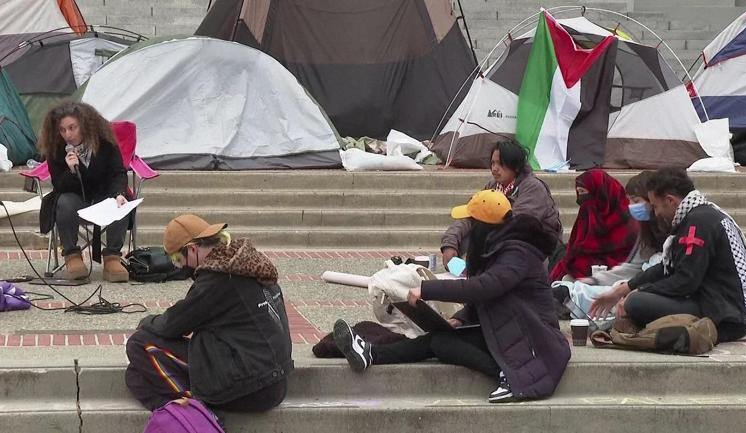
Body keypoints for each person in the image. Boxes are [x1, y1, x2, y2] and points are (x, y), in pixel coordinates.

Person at [334, 190, 570, 403]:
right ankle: (371, 353)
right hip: (510, 329)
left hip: (534, 340)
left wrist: (426, 289)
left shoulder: (517, 253)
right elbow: (491, 296)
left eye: (471, 222)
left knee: (442, 343)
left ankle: (507, 376)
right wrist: (460, 318)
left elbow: (484, 288)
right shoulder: (501, 247)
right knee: (439, 338)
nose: (467, 230)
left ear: (482, 226)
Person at [125, 214, 293, 417]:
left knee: (138, 343)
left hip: (253, 385)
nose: (180, 267)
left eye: (178, 260)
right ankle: (181, 408)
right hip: (273, 379)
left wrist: (147, 321)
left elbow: (173, 324)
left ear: (193, 249)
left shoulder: (219, 278)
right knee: (136, 376)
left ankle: (197, 415)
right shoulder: (246, 264)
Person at [590, 168, 746, 342]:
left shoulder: (698, 223)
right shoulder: (701, 214)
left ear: (670, 201)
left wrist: (637, 292)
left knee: (636, 303)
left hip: (726, 317)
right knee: (636, 298)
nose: (655, 213)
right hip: (726, 307)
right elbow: (667, 267)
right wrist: (623, 289)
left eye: (655, 206)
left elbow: (685, 281)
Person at [553, 171, 667, 317]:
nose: (631, 206)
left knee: (628, 298)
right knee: (569, 282)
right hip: (625, 278)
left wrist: (620, 285)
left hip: (643, 284)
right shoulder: (647, 229)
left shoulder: (629, 223)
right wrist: (595, 279)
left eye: (636, 201)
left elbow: (653, 271)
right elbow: (634, 265)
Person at [37, 101, 129, 282]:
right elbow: (59, 185)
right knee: (64, 202)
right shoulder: (56, 148)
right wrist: (71, 170)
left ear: (85, 125)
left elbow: (118, 172)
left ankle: (112, 257)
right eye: (63, 130)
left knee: (121, 203)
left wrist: (119, 193)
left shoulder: (105, 143)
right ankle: (72, 255)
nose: (68, 134)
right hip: (76, 197)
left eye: (72, 128)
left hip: (104, 193)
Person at [440, 139, 562, 268]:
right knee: (467, 239)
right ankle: (464, 273)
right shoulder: (493, 185)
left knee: (484, 239)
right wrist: (450, 243)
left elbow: (516, 227)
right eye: (492, 163)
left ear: (515, 166)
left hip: (532, 249)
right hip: (499, 240)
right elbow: (471, 213)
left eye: (500, 163)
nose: (494, 168)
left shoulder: (533, 187)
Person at [549, 169, 638, 282]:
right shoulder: (589, 212)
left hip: (618, 272)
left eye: (583, 192)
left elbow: (624, 256)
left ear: (600, 192)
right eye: (579, 193)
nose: (581, 199)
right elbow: (578, 245)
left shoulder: (626, 218)